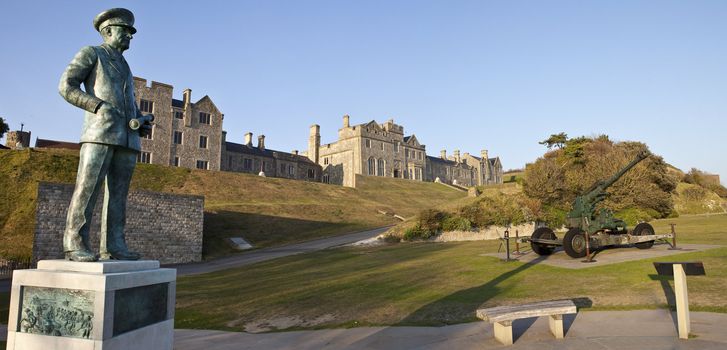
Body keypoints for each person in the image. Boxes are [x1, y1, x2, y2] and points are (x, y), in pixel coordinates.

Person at [59, 8, 152, 261]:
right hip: (99, 133)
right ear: (108, 31)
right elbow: (66, 86)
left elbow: (127, 100)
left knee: (119, 195)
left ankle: (114, 245)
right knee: (87, 188)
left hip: (127, 138)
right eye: (126, 31)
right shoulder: (93, 53)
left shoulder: (125, 64)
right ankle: (74, 241)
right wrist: (97, 105)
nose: (130, 36)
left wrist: (140, 121)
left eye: (131, 33)